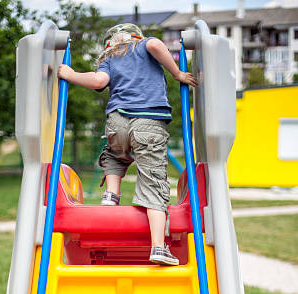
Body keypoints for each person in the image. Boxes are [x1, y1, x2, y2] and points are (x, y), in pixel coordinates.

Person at [58, 23, 197, 265]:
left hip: (117, 120)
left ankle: (111, 194)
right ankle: (158, 247)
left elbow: (98, 81)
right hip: (149, 121)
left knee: (114, 153)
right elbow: (155, 44)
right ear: (136, 36)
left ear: (110, 44)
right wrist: (177, 74)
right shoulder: (145, 46)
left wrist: (70, 74)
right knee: (153, 180)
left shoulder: (111, 59)